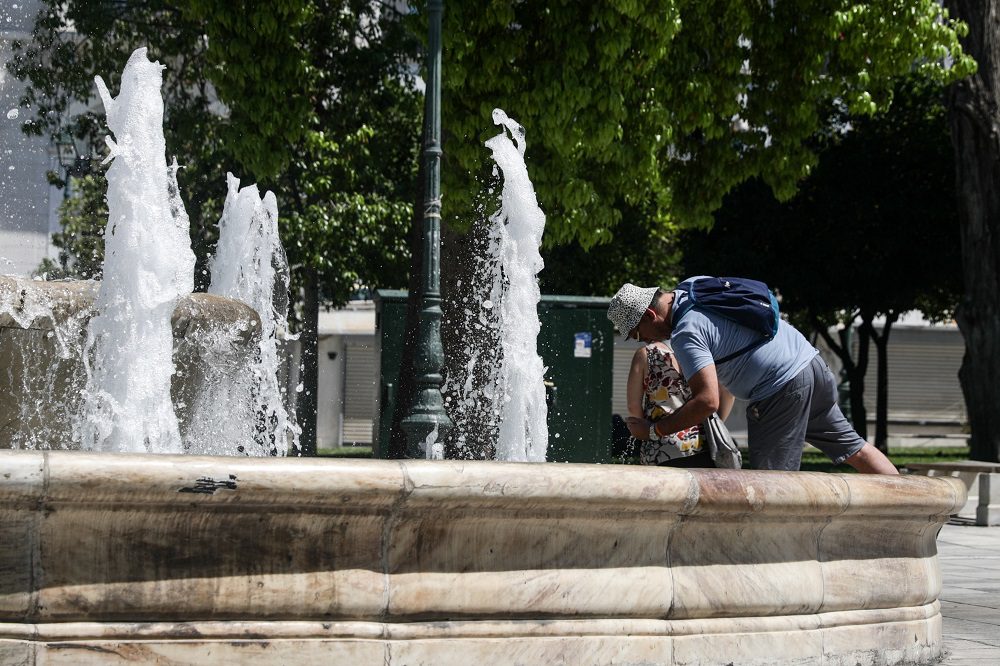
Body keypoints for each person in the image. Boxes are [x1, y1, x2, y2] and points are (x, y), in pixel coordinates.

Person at [607, 279, 898, 474]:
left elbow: (707, 400)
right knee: (855, 449)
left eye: (636, 333)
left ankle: (775, 564)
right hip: (810, 364)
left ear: (649, 315)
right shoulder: (693, 287)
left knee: (771, 487)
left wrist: (656, 431)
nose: (642, 342)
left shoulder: (686, 333)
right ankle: (911, 517)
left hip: (779, 390)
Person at [626, 339, 734, 467]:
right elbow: (727, 392)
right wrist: (715, 422)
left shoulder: (645, 354)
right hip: (704, 444)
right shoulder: (703, 351)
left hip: (660, 446)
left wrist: (646, 432)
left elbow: (633, 406)